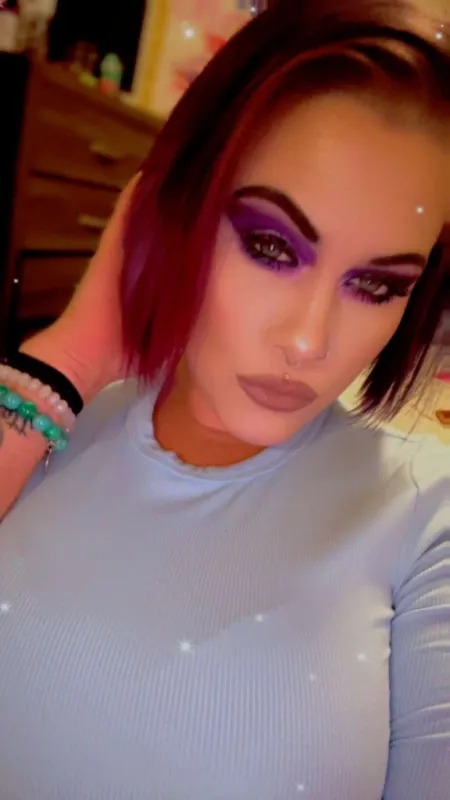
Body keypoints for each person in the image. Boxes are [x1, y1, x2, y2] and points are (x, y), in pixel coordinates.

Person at [0, 0, 449, 797]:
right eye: (271, 247)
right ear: (174, 207)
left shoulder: (427, 517)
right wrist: (73, 354)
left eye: (378, 285)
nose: (308, 341)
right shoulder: (45, 426)